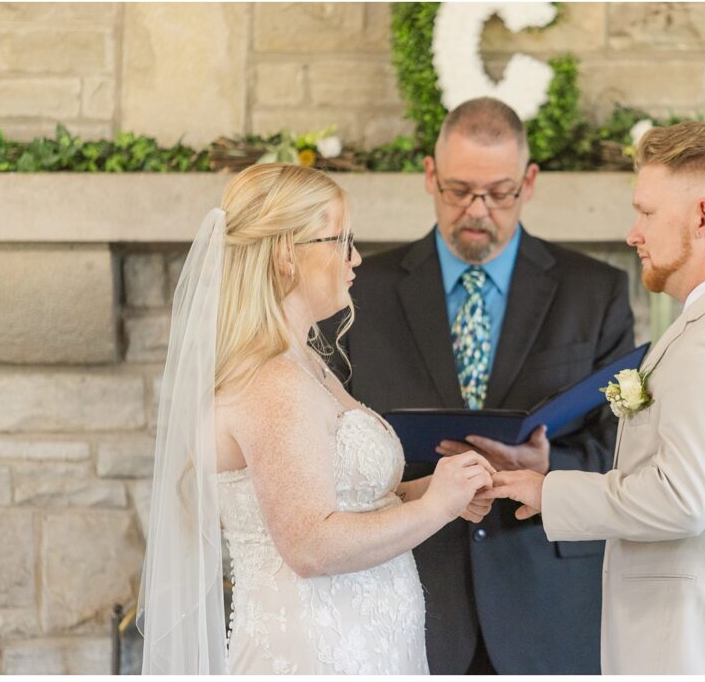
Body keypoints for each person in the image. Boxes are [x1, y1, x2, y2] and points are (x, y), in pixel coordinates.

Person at [484, 122, 705, 674]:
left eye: (646, 212)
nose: (632, 233)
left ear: (703, 216)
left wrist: (551, 491)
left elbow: (683, 499)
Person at [136, 163, 496, 674]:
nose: (356, 258)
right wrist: (435, 508)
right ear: (286, 253)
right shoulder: (272, 381)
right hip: (316, 652)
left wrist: (440, 490)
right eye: (340, 240)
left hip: (364, 643)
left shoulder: (305, 363)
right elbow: (310, 545)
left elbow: (347, 501)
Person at [323, 97, 636, 674]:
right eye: (459, 190)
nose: (477, 210)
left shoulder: (596, 291)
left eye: (499, 193)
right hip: (405, 589)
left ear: (530, 181)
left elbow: (626, 447)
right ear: (429, 175)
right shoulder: (356, 291)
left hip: (548, 598)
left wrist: (548, 463)